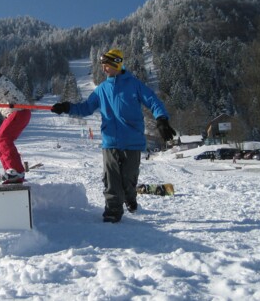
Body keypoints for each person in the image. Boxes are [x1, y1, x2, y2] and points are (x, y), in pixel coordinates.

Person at [51, 49, 176, 223]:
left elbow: (153, 101)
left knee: (128, 178)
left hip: (132, 141)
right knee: (110, 177)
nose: (103, 68)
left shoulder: (134, 84)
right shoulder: (102, 89)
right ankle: (113, 209)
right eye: (102, 65)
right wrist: (66, 107)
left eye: (106, 64)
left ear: (117, 63)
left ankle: (130, 198)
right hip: (110, 141)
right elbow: (86, 108)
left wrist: (161, 119)